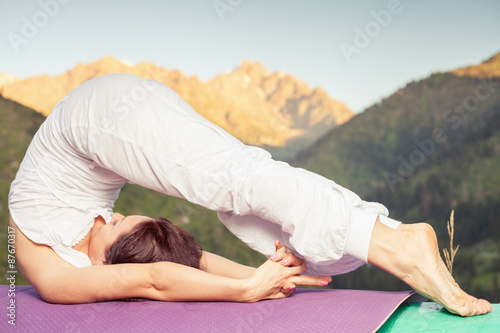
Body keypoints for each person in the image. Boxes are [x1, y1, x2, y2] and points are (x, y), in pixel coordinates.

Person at [9, 73, 491, 316]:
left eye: (114, 220)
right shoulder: (90, 267)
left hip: (92, 123)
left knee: (233, 178)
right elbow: (179, 265)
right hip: (104, 131)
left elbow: (154, 279)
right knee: (241, 212)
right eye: (117, 222)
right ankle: (372, 241)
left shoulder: (56, 278)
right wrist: (264, 278)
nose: (110, 216)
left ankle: (396, 242)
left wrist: (244, 292)